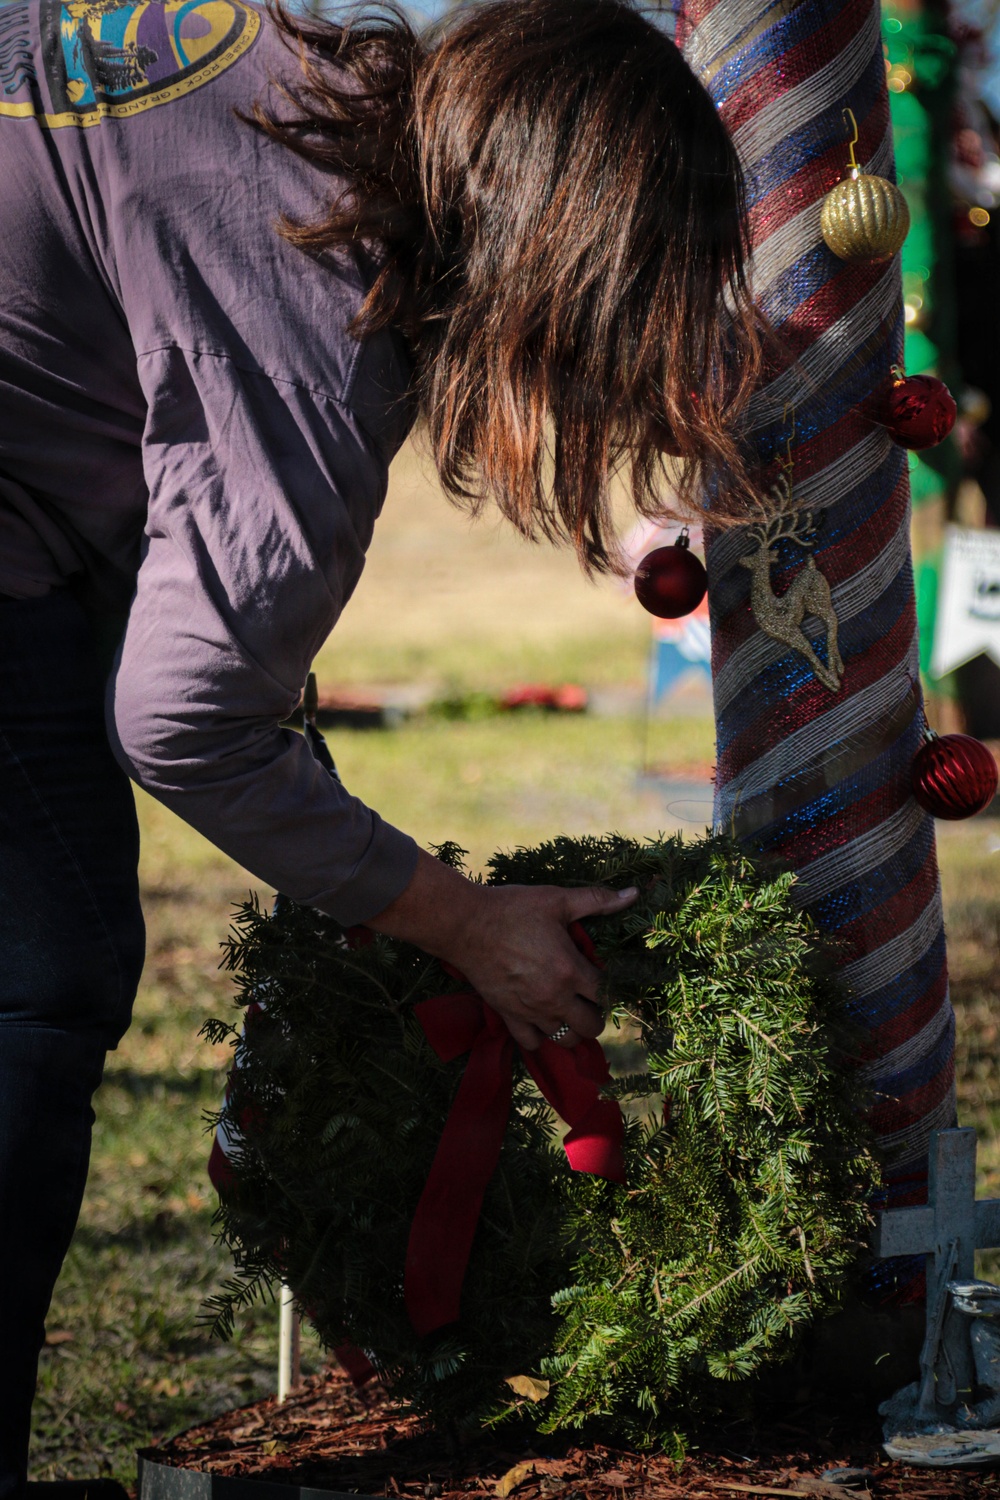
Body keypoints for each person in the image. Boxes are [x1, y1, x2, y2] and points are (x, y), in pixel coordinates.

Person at [0, 0, 761, 1489]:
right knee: (39, 972)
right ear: (553, 266)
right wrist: (463, 921)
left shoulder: (318, 76)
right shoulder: (316, 330)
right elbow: (182, 716)